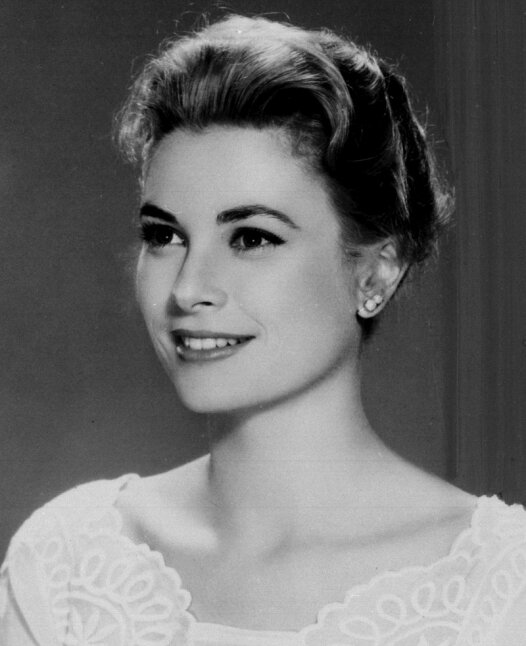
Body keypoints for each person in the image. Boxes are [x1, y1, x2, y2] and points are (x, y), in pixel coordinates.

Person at [1, 14, 525, 646]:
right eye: (164, 235)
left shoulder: (500, 586)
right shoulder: (66, 563)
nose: (188, 288)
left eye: (251, 238)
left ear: (375, 271)